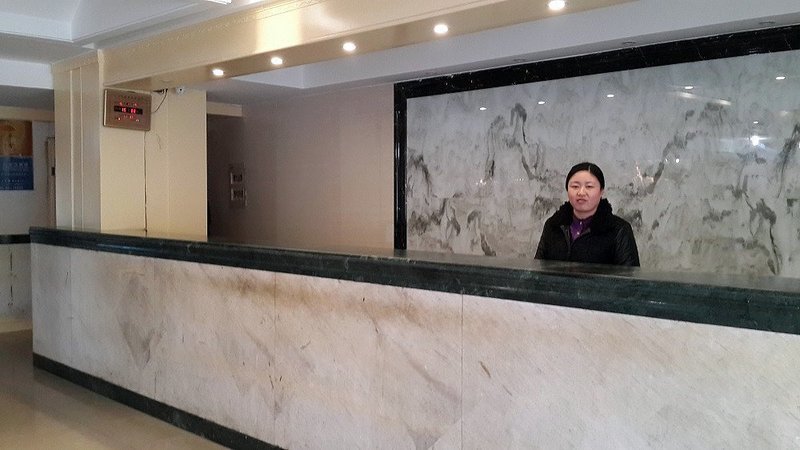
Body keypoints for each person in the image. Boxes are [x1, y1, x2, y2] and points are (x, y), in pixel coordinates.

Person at [534, 162, 640, 266]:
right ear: (567, 190)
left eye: (589, 186)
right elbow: (538, 269)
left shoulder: (619, 230)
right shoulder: (553, 225)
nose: (581, 192)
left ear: (601, 191)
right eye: (575, 186)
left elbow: (629, 275)